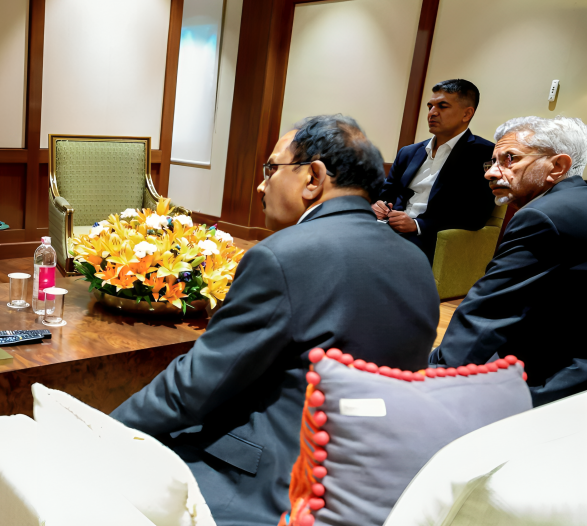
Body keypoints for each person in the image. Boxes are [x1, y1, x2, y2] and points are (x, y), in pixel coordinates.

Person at [110, 115, 440, 525]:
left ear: (313, 178)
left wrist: (101, 430)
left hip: (277, 483)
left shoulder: (285, 255)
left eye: (271, 169)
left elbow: (194, 387)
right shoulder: (415, 259)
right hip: (374, 474)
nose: (261, 185)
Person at [430, 115, 587, 407]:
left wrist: (434, 377)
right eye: (492, 162)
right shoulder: (577, 201)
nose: (491, 173)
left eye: (510, 158)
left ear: (557, 167)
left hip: (565, 377)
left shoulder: (542, 216)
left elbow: (488, 311)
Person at [373, 79, 496, 262]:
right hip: (389, 227)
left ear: (466, 114)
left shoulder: (484, 154)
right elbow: (387, 193)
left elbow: (476, 214)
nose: (432, 113)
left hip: (432, 238)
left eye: (442, 106)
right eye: (430, 106)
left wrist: (418, 225)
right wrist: (379, 205)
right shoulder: (409, 152)